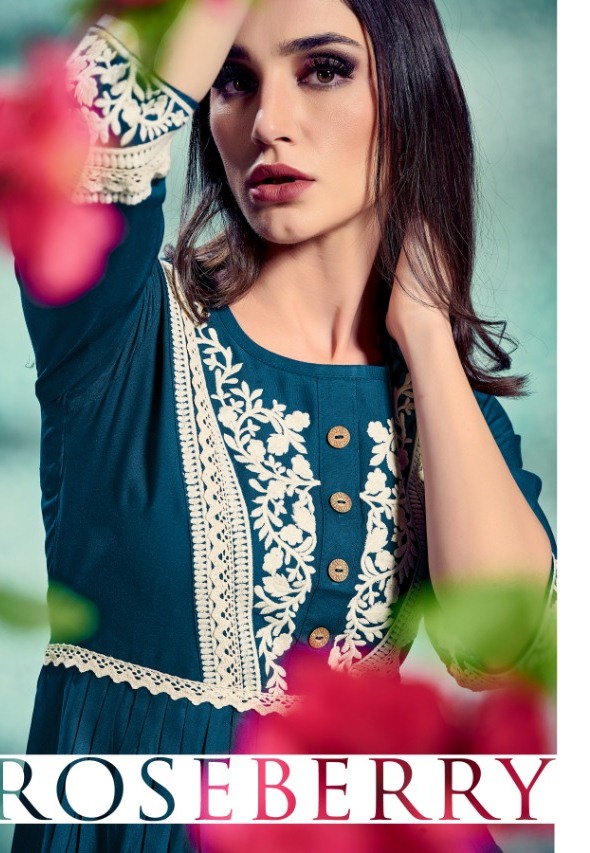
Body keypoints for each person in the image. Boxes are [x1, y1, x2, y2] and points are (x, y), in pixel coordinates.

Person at [11, 0, 556, 850]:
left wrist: (426, 333)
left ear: (409, 94)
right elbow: (83, 139)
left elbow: (501, 647)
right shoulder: (118, 332)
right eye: (233, 82)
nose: (268, 123)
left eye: (324, 70)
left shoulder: (439, 398)